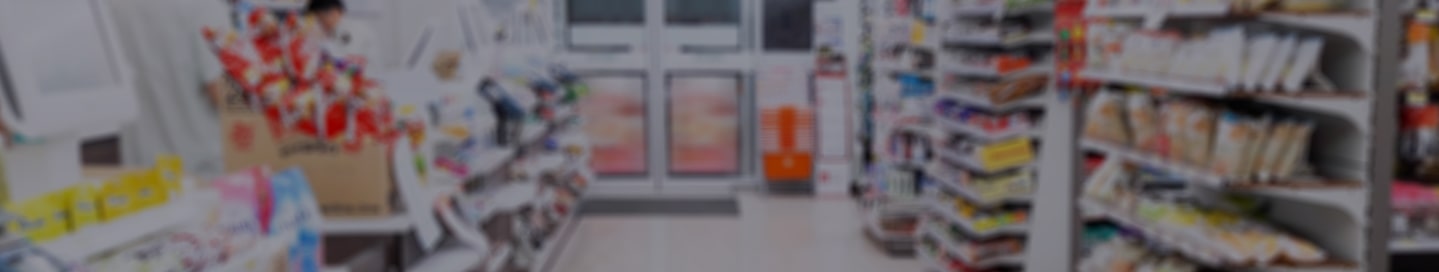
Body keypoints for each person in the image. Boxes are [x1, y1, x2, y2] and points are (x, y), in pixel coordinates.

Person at [304, 0, 382, 70]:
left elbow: (344, 62)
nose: (319, 24)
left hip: (365, 78)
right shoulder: (335, 30)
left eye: (320, 19)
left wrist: (322, 40)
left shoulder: (352, 29)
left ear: (335, 12)